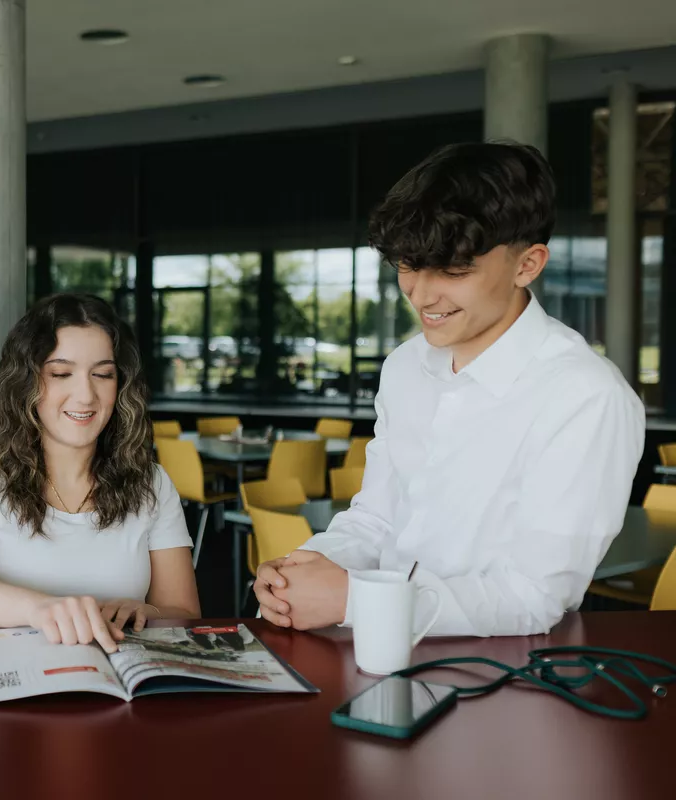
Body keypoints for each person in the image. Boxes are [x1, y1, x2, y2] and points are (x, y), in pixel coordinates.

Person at [255, 142, 645, 637]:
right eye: (407, 265)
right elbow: (375, 519)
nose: (421, 294)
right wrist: (304, 567)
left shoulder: (585, 396)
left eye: (454, 271)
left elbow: (536, 596)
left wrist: (357, 599)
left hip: (494, 679)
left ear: (528, 264)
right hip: (371, 652)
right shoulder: (404, 367)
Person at [0, 294, 200, 651]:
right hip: (10, 689)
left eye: (102, 374)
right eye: (61, 373)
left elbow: (186, 613)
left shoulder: (152, 483)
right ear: (27, 382)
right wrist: (44, 609)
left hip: (121, 688)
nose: (85, 396)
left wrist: (148, 611)